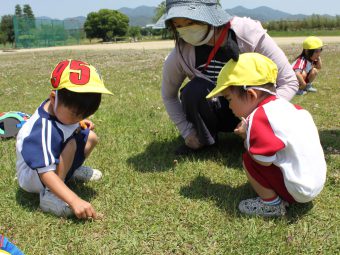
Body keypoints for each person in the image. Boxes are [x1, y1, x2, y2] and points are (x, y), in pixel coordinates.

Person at [161, 0, 298, 155]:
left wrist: (259, 119)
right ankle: (205, 139)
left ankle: (257, 135)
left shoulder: (248, 33)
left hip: (252, 108)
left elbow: (289, 81)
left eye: (191, 22)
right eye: (178, 25)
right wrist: (187, 132)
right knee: (193, 90)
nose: (185, 30)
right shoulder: (181, 51)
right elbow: (168, 95)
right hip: (215, 111)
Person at [206, 53, 327, 217]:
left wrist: (245, 136)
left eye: (228, 99)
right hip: (316, 183)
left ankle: (272, 205)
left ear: (250, 94)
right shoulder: (293, 108)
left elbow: (262, 162)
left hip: (299, 192)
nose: (229, 106)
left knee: (249, 159)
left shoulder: (259, 117)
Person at [16, 59, 113, 219]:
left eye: (84, 115)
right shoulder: (43, 129)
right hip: (33, 176)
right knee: (72, 143)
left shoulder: (58, 107)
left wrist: (78, 121)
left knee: (90, 137)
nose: (79, 119)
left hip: (46, 166)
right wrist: (74, 200)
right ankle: (50, 197)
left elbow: (66, 123)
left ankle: (68, 172)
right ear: (53, 98)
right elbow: (45, 173)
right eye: (75, 114)